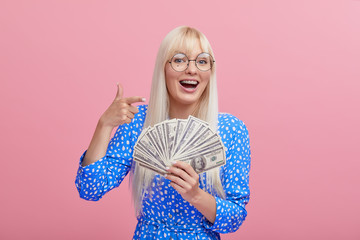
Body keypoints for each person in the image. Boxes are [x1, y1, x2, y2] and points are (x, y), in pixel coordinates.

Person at [75, 26, 251, 240]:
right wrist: (104, 125)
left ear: (210, 72)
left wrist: (195, 195)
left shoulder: (231, 130)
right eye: (179, 60)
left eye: (202, 61)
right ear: (163, 68)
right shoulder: (139, 121)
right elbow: (90, 189)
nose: (192, 70)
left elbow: (235, 218)